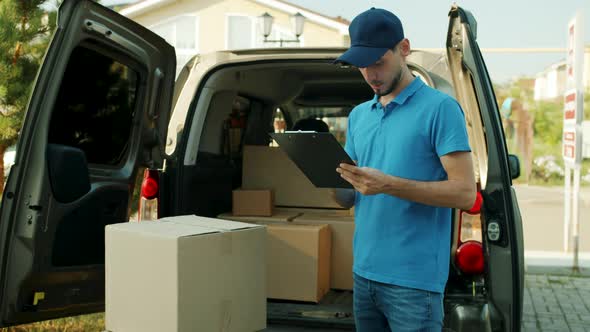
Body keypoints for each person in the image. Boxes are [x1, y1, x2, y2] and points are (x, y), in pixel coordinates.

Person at [331, 7, 476, 332]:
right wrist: (325, 175)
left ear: (404, 48)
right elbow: (347, 196)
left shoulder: (440, 109)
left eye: (378, 62)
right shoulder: (358, 116)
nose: (371, 74)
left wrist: (389, 185)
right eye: (362, 66)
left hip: (414, 283)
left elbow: (465, 194)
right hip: (364, 273)